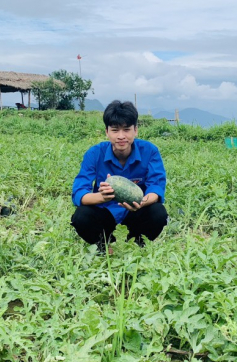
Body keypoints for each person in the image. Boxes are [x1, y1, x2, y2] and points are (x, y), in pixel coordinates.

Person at [71, 100, 168, 254]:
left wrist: (142, 202)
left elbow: (156, 187)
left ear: (135, 130)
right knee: (81, 216)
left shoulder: (149, 151)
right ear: (107, 132)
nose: (121, 136)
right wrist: (102, 197)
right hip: (105, 215)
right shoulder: (94, 153)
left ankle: (137, 243)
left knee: (158, 213)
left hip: (135, 214)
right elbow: (79, 193)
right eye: (115, 130)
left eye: (127, 129)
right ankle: (104, 245)